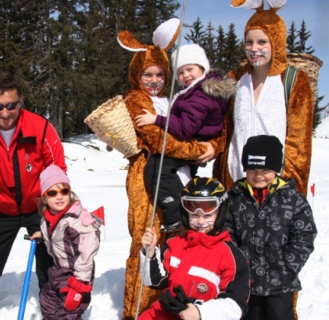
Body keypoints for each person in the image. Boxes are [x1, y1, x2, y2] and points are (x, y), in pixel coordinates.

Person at [117, 19, 223, 319]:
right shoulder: (137, 100)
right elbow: (159, 141)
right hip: (147, 178)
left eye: (160, 74)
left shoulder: (172, 99)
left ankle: (171, 305)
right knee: (146, 240)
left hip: (179, 175)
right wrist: (198, 149)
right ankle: (137, 309)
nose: (154, 80)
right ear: (137, 75)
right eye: (147, 74)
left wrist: (214, 145)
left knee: (174, 244)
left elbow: (205, 127)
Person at [0, 73, 66, 319]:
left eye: (11, 105)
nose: (5, 113)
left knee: (50, 267)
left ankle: (54, 313)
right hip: (1, 211)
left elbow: (58, 172)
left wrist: (55, 216)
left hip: (40, 209)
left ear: (21, 102)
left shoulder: (40, 127)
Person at [213, 0, 313, 197]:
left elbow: (299, 144)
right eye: (249, 42)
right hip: (236, 182)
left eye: (261, 42)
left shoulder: (293, 80)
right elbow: (222, 129)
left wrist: (290, 190)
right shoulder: (236, 78)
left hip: (274, 185)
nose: (254, 49)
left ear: (276, 42)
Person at [135, 44, 234, 231]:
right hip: (194, 141)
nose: (186, 75)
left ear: (202, 68)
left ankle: (176, 212)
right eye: (180, 72)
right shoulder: (194, 92)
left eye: (190, 69)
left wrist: (156, 119)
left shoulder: (200, 95)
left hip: (191, 142)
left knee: (156, 168)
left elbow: (184, 128)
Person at [226, 135, 317, 320]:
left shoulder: (292, 199)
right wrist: (236, 263)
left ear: (276, 169)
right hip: (246, 281)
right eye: (252, 169)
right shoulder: (235, 198)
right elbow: (227, 231)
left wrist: (289, 264)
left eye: (265, 169)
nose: (258, 175)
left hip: (280, 281)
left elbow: (304, 234)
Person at [139, 177, 250, 320]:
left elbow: (236, 306)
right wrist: (150, 254)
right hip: (166, 312)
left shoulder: (230, 256)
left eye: (208, 215)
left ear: (221, 214)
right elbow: (155, 281)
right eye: (194, 215)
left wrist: (200, 312)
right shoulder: (175, 243)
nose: (200, 222)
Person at [34, 165, 101, 319]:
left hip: (75, 273)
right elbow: (56, 235)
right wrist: (43, 236)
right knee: (48, 302)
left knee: (67, 310)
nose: (59, 196)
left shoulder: (77, 221)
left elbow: (87, 252)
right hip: (57, 270)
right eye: (52, 193)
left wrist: (79, 283)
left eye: (64, 191)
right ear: (44, 197)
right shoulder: (48, 217)